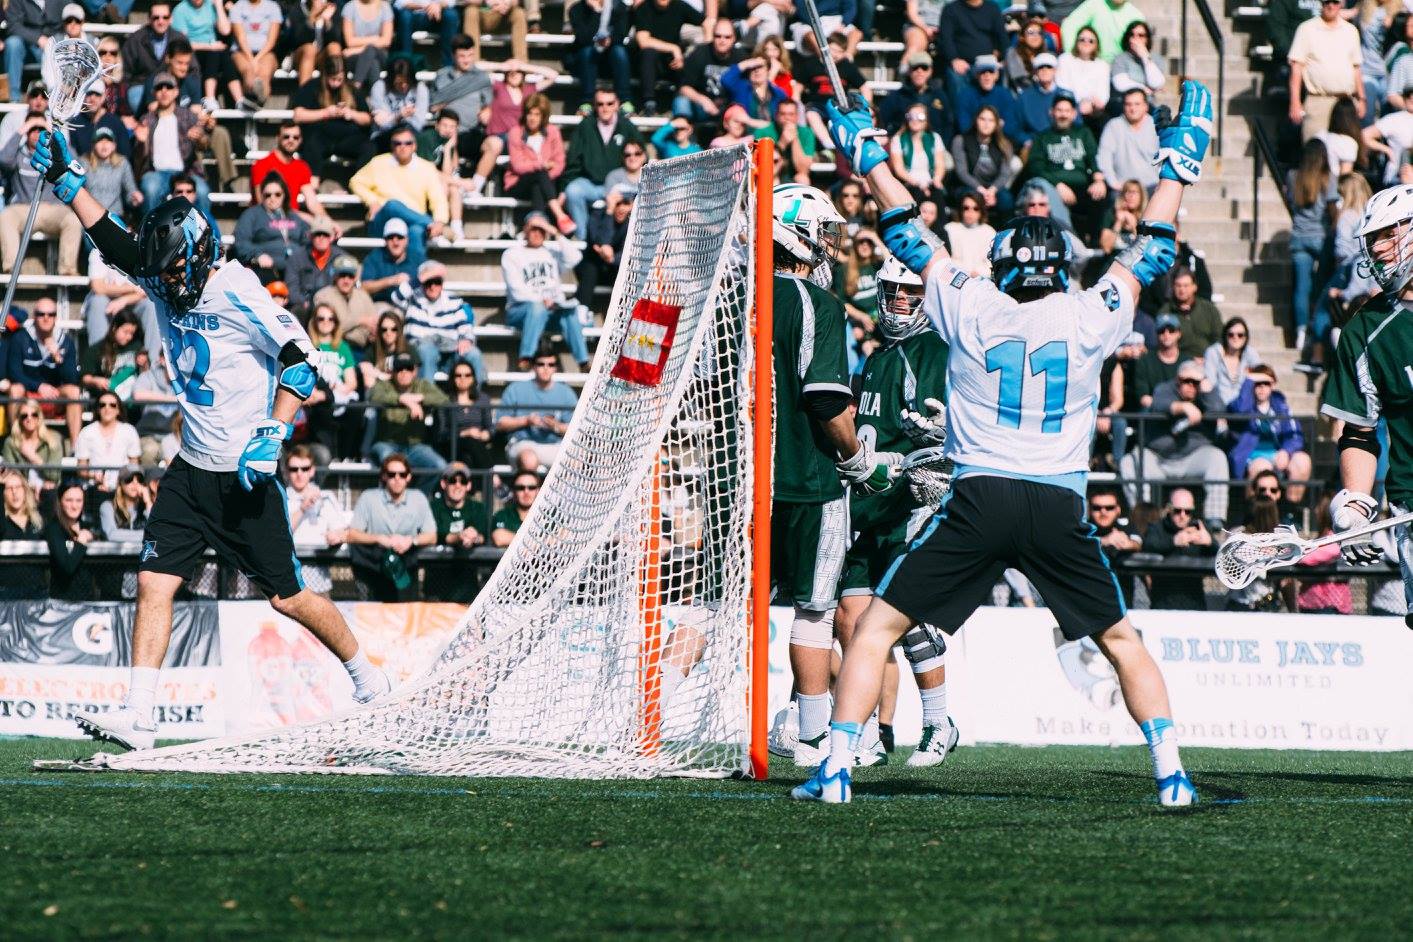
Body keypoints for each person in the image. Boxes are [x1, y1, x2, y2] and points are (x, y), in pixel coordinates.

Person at [800, 78, 1212, 805]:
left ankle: (833, 770)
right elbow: (1151, 250)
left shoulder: (972, 301)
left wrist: (865, 151)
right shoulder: (1090, 314)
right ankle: (1171, 774)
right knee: (1120, 641)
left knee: (871, 630)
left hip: (980, 494)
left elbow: (902, 228)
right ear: (1057, 266)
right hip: (1057, 501)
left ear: (1001, 262)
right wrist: (1176, 164)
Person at [29, 130, 390, 751]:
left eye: (172, 270)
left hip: (244, 474)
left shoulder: (236, 287)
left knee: (290, 595)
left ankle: (371, 682)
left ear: (197, 255)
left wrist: (272, 434)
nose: (163, 284)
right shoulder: (166, 272)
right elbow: (114, 241)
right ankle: (140, 720)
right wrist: (68, 183)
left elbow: (301, 361)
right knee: (153, 581)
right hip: (192, 468)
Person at [833, 257, 956, 768]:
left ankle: (938, 720)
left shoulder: (933, 351)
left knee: (905, 620)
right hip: (868, 506)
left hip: (908, 503)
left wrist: (936, 446)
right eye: (892, 292)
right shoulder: (881, 356)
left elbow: (942, 428)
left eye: (910, 293)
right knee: (852, 620)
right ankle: (864, 734)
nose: (899, 303)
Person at [1321, 183, 1413, 628]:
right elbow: (1359, 431)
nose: (1376, 251)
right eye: (1371, 240)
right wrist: (1355, 502)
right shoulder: (1366, 331)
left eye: (1386, 235)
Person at [1121, 358, 1230, 527]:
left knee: (1217, 458)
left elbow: (1219, 410)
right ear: (1178, 380)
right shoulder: (1165, 388)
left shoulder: (1205, 394)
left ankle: (1214, 519)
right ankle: (1143, 518)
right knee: (1129, 462)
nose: (1190, 385)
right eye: (1185, 381)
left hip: (1192, 458)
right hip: (1158, 458)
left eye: (1195, 382)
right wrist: (1183, 407)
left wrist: (1206, 389)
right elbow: (1158, 404)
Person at [349, 125, 449, 266]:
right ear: (392, 146)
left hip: (412, 223)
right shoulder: (379, 162)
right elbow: (356, 182)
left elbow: (438, 199)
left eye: (407, 143)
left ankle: (416, 279)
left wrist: (439, 221)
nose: (403, 147)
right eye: (398, 143)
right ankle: (429, 222)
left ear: (414, 146)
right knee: (392, 205)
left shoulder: (426, 167)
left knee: (416, 232)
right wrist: (371, 201)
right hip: (383, 220)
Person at [501, 213, 589, 370]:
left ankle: (583, 361)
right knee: (537, 307)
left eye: (541, 229)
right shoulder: (511, 254)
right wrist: (542, 300)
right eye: (533, 229)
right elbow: (517, 291)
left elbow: (575, 257)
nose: (537, 233)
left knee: (570, 311)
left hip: (552, 310)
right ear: (526, 230)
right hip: (520, 311)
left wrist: (555, 232)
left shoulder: (552, 252)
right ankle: (526, 357)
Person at [346, 452, 438, 601]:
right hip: (373, 568)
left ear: (408, 477)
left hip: (406, 567)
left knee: (406, 615)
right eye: (391, 474)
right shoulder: (369, 497)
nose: (397, 479)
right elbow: (353, 533)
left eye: (402, 474)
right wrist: (379, 539)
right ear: (384, 476)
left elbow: (432, 536)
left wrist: (410, 540)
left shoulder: (418, 498)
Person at [0, 118, 84, 276]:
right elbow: (3, 160)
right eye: (33, 129)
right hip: (23, 208)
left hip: (51, 208)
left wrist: (51, 131)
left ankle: (67, 270)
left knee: (73, 219)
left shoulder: (55, 155)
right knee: (5, 216)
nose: (37, 133)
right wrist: (23, 128)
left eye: (40, 129)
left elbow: (74, 162)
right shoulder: (17, 154)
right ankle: (11, 268)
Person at [558, 87, 646, 237]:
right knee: (573, 191)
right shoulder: (585, 126)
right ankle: (584, 239)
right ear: (594, 105)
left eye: (610, 103)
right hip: (593, 185)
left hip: (621, 185)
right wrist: (564, 188)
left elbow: (641, 155)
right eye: (600, 104)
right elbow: (573, 160)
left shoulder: (627, 126)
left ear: (617, 104)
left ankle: (625, 241)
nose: (605, 108)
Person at [1021, 90, 1107, 239]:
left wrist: (1098, 180)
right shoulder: (1042, 137)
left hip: (1082, 186)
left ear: (1074, 114)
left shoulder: (1083, 132)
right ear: (1051, 112)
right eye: (1059, 110)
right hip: (1054, 187)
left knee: (1100, 197)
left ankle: (1094, 249)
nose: (1063, 114)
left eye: (1067, 111)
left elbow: (1093, 157)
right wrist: (1058, 185)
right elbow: (1036, 167)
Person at [429, 35, 503, 199]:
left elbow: (488, 105)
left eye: (470, 55)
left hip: (472, 132)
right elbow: (434, 105)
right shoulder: (442, 76)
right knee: (448, 140)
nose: (467, 60)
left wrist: (487, 111)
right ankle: (455, 185)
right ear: (454, 56)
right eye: (462, 56)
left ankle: (474, 188)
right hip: (446, 132)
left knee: (495, 143)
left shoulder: (481, 77)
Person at [132, 71, 213, 217]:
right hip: (157, 173)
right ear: (153, 93)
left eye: (168, 87)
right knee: (150, 188)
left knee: (202, 191)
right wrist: (141, 143)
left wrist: (199, 138)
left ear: (176, 92)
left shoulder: (188, 116)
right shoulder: (147, 120)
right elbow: (139, 159)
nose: (164, 91)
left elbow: (205, 144)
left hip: (185, 172)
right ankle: (151, 233)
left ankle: (203, 233)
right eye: (159, 87)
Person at [1227, 364, 1312, 503]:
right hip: (1252, 457)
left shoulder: (1280, 405)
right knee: (1262, 468)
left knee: (1302, 461)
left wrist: (1286, 451)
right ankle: (1257, 515)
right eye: (1257, 383)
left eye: (1266, 383)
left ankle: (1290, 512)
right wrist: (1248, 380)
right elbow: (1240, 410)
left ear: (1272, 385)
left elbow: (1295, 436)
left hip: (1277, 454)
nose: (1261, 387)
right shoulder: (1242, 404)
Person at [6, 297, 83, 444]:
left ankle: (76, 448)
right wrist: (39, 386)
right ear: (35, 316)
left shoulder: (65, 341)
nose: (46, 318)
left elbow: (72, 379)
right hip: (28, 396)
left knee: (73, 392)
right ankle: (16, 443)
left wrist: (57, 357)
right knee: (15, 389)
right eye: (41, 314)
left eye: (51, 314)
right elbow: (14, 372)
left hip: (54, 397)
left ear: (56, 317)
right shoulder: (21, 338)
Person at [392, 259, 483, 382]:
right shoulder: (412, 298)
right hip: (422, 352)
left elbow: (466, 328)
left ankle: (475, 398)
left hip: (450, 351)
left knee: (473, 354)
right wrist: (422, 277)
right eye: (428, 282)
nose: (433, 286)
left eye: (437, 281)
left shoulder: (453, 300)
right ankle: (427, 398)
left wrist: (466, 340)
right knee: (426, 351)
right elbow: (396, 297)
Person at [368, 352, 450, 487]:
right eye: (399, 369)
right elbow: (374, 396)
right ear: (393, 371)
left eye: (408, 368)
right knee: (390, 465)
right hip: (387, 443)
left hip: (415, 446)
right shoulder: (384, 385)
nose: (404, 372)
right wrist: (403, 400)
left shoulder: (422, 385)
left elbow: (444, 400)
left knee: (440, 466)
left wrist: (421, 398)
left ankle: (417, 497)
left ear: (415, 371)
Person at [1288, 140, 1338, 357]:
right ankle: (1317, 333)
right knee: (1322, 287)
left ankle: (1300, 332)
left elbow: (1291, 203)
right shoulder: (1328, 178)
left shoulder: (1292, 176)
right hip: (1321, 237)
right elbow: (1333, 210)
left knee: (1301, 287)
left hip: (1299, 237)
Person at [1288, 0, 1365, 141]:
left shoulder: (1351, 31)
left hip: (1345, 102)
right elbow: (1296, 68)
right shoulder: (1306, 29)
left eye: (1335, 2)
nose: (1330, 6)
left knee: (1346, 152)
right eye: (1326, 2)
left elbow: (1356, 67)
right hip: (1318, 100)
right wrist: (1295, 102)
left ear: (1341, 4)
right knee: (1314, 152)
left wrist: (1361, 98)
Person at [495, 347, 579, 471]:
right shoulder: (516, 389)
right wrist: (526, 421)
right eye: (541, 364)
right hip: (522, 443)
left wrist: (555, 426)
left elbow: (576, 429)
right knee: (529, 460)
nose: (546, 368)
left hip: (555, 444)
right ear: (533, 367)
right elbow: (500, 423)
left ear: (555, 368)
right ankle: (530, 490)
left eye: (551, 364)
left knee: (577, 462)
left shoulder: (566, 393)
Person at [503, 93, 573, 231]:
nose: (532, 118)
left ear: (543, 116)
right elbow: (518, 166)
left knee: (538, 183)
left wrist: (544, 176)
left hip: (544, 183)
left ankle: (539, 224)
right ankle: (560, 215)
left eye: (537, 114)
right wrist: (541, 166)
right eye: (530, 114)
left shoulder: (552, 131)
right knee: (539, 175)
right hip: (518, 182)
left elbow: (559, 162)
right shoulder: (515, 132)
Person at [304, 303, 362, 461]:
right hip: (316, 395)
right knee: (323, 407)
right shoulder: (307, 346)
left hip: (340, 393)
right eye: (321, 318)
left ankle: (346, 457)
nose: (326, 322)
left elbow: (352, 382)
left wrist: (339, 390)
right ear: (314, 321)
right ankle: (330, 457)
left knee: (356, 409)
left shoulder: (342, 347)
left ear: (336, 323)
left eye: (331, 319)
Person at [1141, 488, 1215, 610]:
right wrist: (1174, 541)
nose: (1182, 516)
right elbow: (1148, 546)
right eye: (1177, 511)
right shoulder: (1158, 528)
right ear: (1169, 509)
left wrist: (1210, 543)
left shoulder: (1199, 529)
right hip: (1163, 603)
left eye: (1187, 511)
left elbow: (1221, 557)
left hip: (1194, 604)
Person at [234, 174, 312, 283]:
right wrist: (257, 256)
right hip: (266, 268)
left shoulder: (293, 216)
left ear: (284, 195)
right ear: (262, 196)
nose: (272, 198)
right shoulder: (252, 215)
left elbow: (308, 239)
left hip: (295, 267)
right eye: (268, 195)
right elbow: (241, 243)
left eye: (277, 194)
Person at [250, 122, 329, 222]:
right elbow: (264, 203)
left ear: (300, 140)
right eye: (286, 137)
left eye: (295, 137)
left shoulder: (302, 167)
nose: (291, 140)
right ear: (277, 138)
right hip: (266, 222)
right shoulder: (262, 165)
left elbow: (312, 201)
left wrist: (327, 222)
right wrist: (306, 218)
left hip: (292, 223)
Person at [565, 0, 632, 112]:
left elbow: (621, 33)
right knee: (587, 52)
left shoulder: (619, 7)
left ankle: (625, 101)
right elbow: (583, 38)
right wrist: (597, 12)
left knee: (619, 52)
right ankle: (587, 102)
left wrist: (610, 40)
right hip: (587, 58)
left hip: (610, 57)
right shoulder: (576, 9)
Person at [574, 191, 634, 314]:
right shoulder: (597, 214)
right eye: (617, 203)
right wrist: (609, 212)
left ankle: (622, 315)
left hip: (614, 268)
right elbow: (599, 241)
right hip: (593, 268)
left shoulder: (633, 222)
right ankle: (581, 310)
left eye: (626, 203)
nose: (621, 208)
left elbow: (628, 253)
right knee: (591, 266)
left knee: (625, 271)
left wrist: (612, 259)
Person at [675, 19, 744, 122]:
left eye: (727, 37)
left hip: (730, 107)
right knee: (681, 101)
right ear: (712, 37)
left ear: (734, 38)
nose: (722, 41)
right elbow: (684, 88)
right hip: (702, 106)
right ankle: (683, 133)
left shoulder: (741, 57)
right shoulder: (699, 53)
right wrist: (703, 100)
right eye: (718, 36)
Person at [1097, 87, 1158, 194]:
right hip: (1122, 189)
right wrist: (1112, 182)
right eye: (1128, 104)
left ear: (1146, 106)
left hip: (1152, 187)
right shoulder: (1113, 126)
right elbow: (1104, 157)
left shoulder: (1157, 127)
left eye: (1137, 104)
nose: (1133, 109)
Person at [286, 218, 350, 318]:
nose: (321, 238)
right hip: (306, 306)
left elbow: (348, 286)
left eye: (325, 235)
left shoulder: (342, 259)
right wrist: (304, 302)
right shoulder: (296, 258)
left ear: (332, 237)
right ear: (310, 236)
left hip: (334, 304)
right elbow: (291, 289)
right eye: (317, 234)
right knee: (297, 311)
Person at [45, 482, 97, 602]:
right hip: (62, 602)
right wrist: (80, 542)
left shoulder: (88, 527)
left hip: (88, 601)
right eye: (69, 500)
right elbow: (67, 567)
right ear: (60, 502)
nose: (74, 506)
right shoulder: (54, 529)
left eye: (79, 500)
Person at [5, 0, 63, 104]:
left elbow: (67, 18)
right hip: (28, 47)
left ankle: (57, 99)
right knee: (12, 44)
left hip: (54, 45)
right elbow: (13, 26)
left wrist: (53, 41)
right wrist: (37, 38)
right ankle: (14, 98)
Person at [1160, 267, 1223, 360]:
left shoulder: (1209, 309)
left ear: (1194, 287)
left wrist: (1209, 358)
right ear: (1173, 287)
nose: (1182, 290)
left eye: (1186, 285)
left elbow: (1219, 338)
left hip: (1208, 361)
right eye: (1178, 285)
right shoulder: (1166, 312)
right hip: (1178, 363)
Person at [314, 254, 378, 348]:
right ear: (335, 276)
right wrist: (359, 321)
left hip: (361, 347)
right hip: (333, 347)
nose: (346, 280)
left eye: (350, 276)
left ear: (355, 278)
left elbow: (373, 322)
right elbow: (328, 325)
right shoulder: (323, 295)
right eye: (342, 275)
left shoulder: (363, 296)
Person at [2, 401, 66, 491]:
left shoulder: (53, 440)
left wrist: (33, 457)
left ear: (39, 417)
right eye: (24, 416)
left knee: (49, 490)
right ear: (19, 419)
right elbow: (11, 474)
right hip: (22, 491)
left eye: (34, 415)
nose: (29, 418)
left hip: (47, 490)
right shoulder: (11, 442)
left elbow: (54, 476)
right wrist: (29, 488)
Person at [228, 0, 282, 107]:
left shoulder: (273, 7)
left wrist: (257, 59)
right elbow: (240, 38)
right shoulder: (238, 7)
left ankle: (258, 99)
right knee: (249, 70)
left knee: (264, 74)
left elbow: (272, 40)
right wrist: (251, 59)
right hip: (242, 51)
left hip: (266, 52)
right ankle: (251, 97)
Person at [888, 104, 947, 202]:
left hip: (930, 181)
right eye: (911, 116)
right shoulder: (898, 139)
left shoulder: (935, 138)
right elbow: (899, 170)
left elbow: (940, 165)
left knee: (937, 195)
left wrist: (936, 180)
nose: (915, 120)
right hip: (909, 183)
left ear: (926, 119)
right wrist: (918, 184)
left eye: (920, 116)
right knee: (917, 193)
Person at [79, 310, 144, 398]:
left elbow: (146, 375)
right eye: (125, 332)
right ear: (114, 328)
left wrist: (144, 363)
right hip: (108, 399)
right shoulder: (96, 350)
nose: (129, 337)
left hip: (131, 399)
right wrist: (95, 380)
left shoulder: (137, 347)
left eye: (132, 333)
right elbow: (85, 378)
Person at [369, 57, 430, 149]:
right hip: (384, 136)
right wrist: (399, 116)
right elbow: (383, 125)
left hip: (411, 133)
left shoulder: (420, 89)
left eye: (407, 82)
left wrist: (391, 118)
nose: (404, 86)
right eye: (399, 83)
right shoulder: (380, 87)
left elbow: (419, 123)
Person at [80, 127, 141, 218]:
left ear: (114, 145)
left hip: (114, 215)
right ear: (93, 145)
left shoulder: (122, 163)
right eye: (100, 140)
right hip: (89, 215)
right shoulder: (83, 163)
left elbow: (130, 190)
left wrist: (134, 198)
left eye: (108, 141)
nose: (104, 144)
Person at [1061, 0, 1144, 65]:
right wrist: (1073, 57)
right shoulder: (1094, 4)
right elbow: (1069, 26)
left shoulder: (1137, 16)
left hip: (1122, 68)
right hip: (1093, 64)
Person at [1058, 26, 1110, 129]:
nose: (1086, 42)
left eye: (1091, 41)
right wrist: (1078, 106)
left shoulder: (1102, 65)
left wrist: (1090, 105)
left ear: (1096, 45)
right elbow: (1062, 86)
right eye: (1082, 39)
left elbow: (1103, 95)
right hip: (1068, 106)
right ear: (1076, 42)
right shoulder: (1065, 59)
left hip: (1093, 110)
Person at [445, 362, 494, 468]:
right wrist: (465, 433)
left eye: (467, 375)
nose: (463, 378)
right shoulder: (445, 400)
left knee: (468, 458)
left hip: (478, 445)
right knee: (470, 442)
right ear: (453, 378)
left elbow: (490, 428)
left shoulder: (483, 399)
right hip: (452, 444)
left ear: (473, 378)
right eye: (458, 375)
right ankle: (491, 473)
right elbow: (441, 433)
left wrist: (486, 434)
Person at [1203, 316, 1260, 407]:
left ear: (1245, 338)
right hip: (1219, 407)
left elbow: (1262, 375)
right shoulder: (1213, 352)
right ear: (1225, 336)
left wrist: (1250, 376)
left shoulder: (1250, 353)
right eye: (1231, 334)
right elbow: (1210, 382)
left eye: (1240, 335)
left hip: (1243, 407)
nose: (1235, 338)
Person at [360, 218, 420, 303]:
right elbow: (364, 287)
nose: (395, 242)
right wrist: (391, 281)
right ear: (385, 240)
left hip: (411, 305)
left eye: (400, 237)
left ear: (406, 240)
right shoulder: (374, 258)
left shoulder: (416, 258)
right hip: (382, 304)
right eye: (391, 237)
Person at [431, 461, 488, 550]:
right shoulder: (433, 508)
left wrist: (474, 537)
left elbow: (484, 535)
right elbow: (435, 535)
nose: (458, 485)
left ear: (468, 485)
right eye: (452, 480)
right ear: (443, 483)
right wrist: (459, 537)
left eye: (463, 481)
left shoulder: (478, 508)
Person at [757, 99, 815, 185]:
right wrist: (782, 143)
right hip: (772, 175)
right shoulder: (763, 132)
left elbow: (803, 170)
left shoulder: (806, 133)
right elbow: (764, 167)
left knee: (803, 179)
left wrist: (795, 138)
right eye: (783, 114)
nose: (787, 118)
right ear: (776, 115)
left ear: (797, 116)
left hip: (794, 176)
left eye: (791, 114)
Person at [342, 0, 395, 89]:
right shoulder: (349, 7)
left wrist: (358, 49)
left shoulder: (385, 7)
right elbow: (350, 41)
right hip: (356, 57)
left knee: (370, 50)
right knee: (373, 64)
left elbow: (386, 41)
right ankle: (376, 97)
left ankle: (356, 86)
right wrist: (375, 39)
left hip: (380, 54)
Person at [1133, 312, 1182, 407]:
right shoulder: (1145, 361)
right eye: (1161, 330)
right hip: (1153, 413)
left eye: (1171, 330)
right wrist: (1172, 407)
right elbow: (1144, 398)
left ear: (1179, 333)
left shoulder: (1187, 361)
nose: (1166, 334)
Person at [943, 192, 996, 277]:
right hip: (955, 279)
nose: (970, 212)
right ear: (961, 209)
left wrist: (979, 273)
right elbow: (945, 261)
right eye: (966, 208)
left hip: (982, 281)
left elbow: (991, 264)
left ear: (981, 210)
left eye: (975, 208)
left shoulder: (989, 232)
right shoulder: (949, 229)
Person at [394, 0, 461, 65]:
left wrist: (438, 5)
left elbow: (451, 2)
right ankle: (406, 64)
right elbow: (400, 3)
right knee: (405, 15)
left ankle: (449, 65)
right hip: (414, 15)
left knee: (451, 15)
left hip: (437, 17)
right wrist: (426, 6)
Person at [1109, 21, 1164, 99]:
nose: (1136, 38)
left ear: (1147, 39)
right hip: (1125, 105)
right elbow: (1120, 83)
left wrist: (1145, 56)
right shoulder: (1120, 59)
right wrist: (1143, 89)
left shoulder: (1156, 58)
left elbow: (1156, 83)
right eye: (1132, 35)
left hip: (1149, 105)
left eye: (1141, 35)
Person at [101, 465, 155, 542]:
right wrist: (147, 535)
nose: (135, 483)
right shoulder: (108, 506)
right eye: (129, 479)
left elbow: (158, 531)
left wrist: (148, 502)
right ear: (120, 483)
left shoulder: (147, 506)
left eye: (139, 480)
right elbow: (111, 535)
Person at [490, 469, 539, 546]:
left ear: (538, 490)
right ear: (513, 491)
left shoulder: (548, 517)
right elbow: (499, 538)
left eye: (531, 487)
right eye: (520, 488)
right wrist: (536, 543)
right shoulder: (502, 515)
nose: (526, 491)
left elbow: (560, 538)